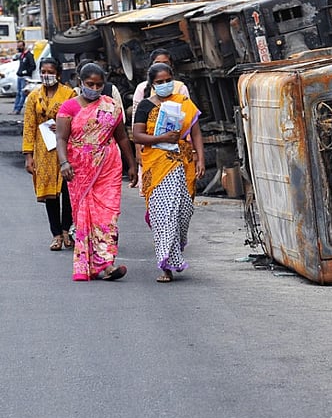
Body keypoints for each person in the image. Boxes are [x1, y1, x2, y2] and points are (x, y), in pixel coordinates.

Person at [56, 63, 137, 281]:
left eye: (99, 85)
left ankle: (107, 263)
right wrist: (64, 163)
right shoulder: (68, 108)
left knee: (107, 215)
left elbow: (121, 136)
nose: (94, 88)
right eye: (90, 84)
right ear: (80, 83)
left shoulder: (110, 105)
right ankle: (89, 265)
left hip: (108, 166)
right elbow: (61, 139)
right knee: (85, 217)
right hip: (79, 169)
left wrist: (132, 164)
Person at [132, 62, 205, 283]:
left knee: (183, 210)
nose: (165, 85)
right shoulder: (145, 106)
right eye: (159, 82)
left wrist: (200, 158)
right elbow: (137, 136)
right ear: (152, 84)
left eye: (167, 81)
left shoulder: (183, 102)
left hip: (182, 162)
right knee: (165, 214)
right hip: (157, 164)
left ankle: (175, 252)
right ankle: (165, 265)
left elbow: (196, 132)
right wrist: (161, 139)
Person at [22, 57, 77, 251]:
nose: (46, 76)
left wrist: (63, 125)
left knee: (67, 192)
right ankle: (55, 235)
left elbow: (77, 120)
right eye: (43, 72)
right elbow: (29, 126)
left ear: (58, 74)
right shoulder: (33, 97)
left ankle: (66, 231)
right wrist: (28, 155)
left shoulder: (69, 94)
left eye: (50, 72)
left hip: (65, 149)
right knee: (50, 194)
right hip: (43, 151)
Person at [132, 48, 191, 193]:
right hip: (151, 149)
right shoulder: (142, 91)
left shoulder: (180, 88)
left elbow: (190, 121)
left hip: (177, 150)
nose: (164, 84)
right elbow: (136, 126)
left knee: (177, 193)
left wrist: (193, 151)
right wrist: (138, 151)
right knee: (153, 191)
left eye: (165, 63)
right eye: (157, 63)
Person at [12, 41, 35, 115]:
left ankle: (18, 109)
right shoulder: (22, 55)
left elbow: (33, 66)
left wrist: (25, 72)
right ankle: (15, 109)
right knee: (18, 93)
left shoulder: (29, 55)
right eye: (18, 46)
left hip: (25, 77)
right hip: (20, 77)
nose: (18, 48)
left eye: (19, 46)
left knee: (22, 94)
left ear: (23, 46)